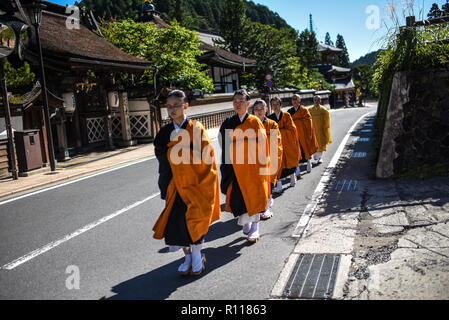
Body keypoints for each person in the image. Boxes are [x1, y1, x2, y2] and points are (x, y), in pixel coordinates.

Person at [153, 90, 221, 276]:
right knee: (177, 223)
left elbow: (207, 158)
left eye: (176, 105)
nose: (172, 110)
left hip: (196, 185)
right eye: (169, 106)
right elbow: (161, 155)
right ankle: (187, 256)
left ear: (185, 106)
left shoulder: (196, 128)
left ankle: (198, 255)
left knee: (195, 221)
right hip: (174, 185)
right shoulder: (165, 132)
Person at [219, 90, 270, 243]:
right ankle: (246, 221)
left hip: (252, 166)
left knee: (253, 196)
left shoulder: (254, 122)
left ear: (248, 104)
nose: (238, 104)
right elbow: (224, 144)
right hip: (235, 166)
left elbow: (263, 145)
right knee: (238, 196)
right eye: (235, 101)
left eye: (241, 101)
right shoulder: (228, 122)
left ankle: (255, 227)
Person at [252, 99, 283, 220]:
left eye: (261, 109)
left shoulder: (272, 124)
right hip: (254, 160)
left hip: (269, 159)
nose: (259, 112)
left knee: (268, 184)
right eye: (256, 109)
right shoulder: (250, 124)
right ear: (253, 111)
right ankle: (258, 207)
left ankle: (266, 207)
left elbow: (277, 144)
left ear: (266, 109)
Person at [268, 96, 301, 192]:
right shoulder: (270, 118)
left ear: (280, 105)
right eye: (273, 105)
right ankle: (279, 184)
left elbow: (292, 129)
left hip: (288, 144)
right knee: (278, 164)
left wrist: (279, 132)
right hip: (277, 144)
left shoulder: (286, 115)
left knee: (290, 162)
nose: (275, 106)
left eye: (277, 104)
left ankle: (292, 177)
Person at [288, 94, 318, 174]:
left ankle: (308, 162)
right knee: (296, 150)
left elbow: (308, 120)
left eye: (295, 99)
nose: (294, 101)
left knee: (305, 148)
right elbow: (287, 121)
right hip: (295, 134)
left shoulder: (304, 110)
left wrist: (298, 122)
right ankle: (297, 167)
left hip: (303, 133)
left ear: (299, 100)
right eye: (293, 99)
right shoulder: (289, 111)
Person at [309, 96, 332, 164]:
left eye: (318, 100)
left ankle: (320, 158)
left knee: (321, 144)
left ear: (320, 101)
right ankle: (316, 156)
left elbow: (326, 120)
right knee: (314, 143)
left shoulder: (323, 110)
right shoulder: (310, 110)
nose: (316, 101)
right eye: (315, 100)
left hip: (321, 130)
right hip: (312, 130)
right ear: (313, 101)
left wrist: (325, 128)